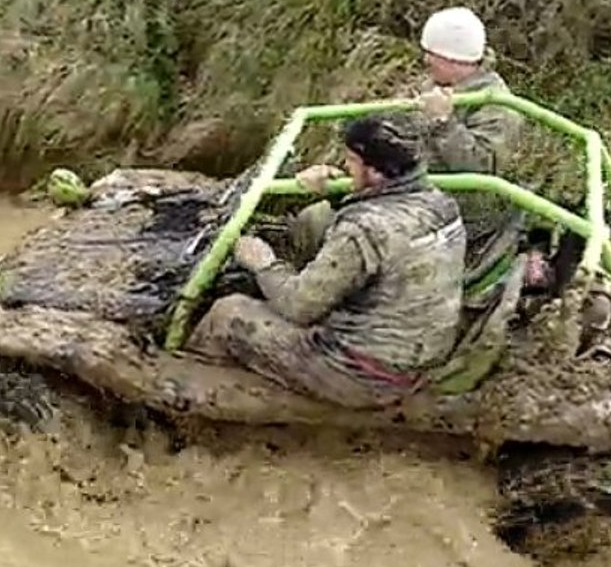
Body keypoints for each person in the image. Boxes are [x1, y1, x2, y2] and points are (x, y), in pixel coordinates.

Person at [296, 7, 611, 361]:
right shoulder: (435, 88)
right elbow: (395, 146)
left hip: (457, 214)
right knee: (314, 220)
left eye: (431, 54)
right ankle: (332, 300)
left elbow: (483, 172)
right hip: (409, 196)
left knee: (329, 229)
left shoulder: (497, 107)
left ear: (455, 59)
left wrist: (444, 124)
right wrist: (348, 172)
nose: (425, 60)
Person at [184, 115, 467, 408]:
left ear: (375, 171)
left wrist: (263, 263)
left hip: (360, 373)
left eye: (352, 160)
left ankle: (191, 401)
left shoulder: (362, 231)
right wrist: (342, 193)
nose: (345, 166)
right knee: (315, 225)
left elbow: (298, 307)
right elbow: (389, 233)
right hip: (416, 360)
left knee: (227, 313)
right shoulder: (441, 203)